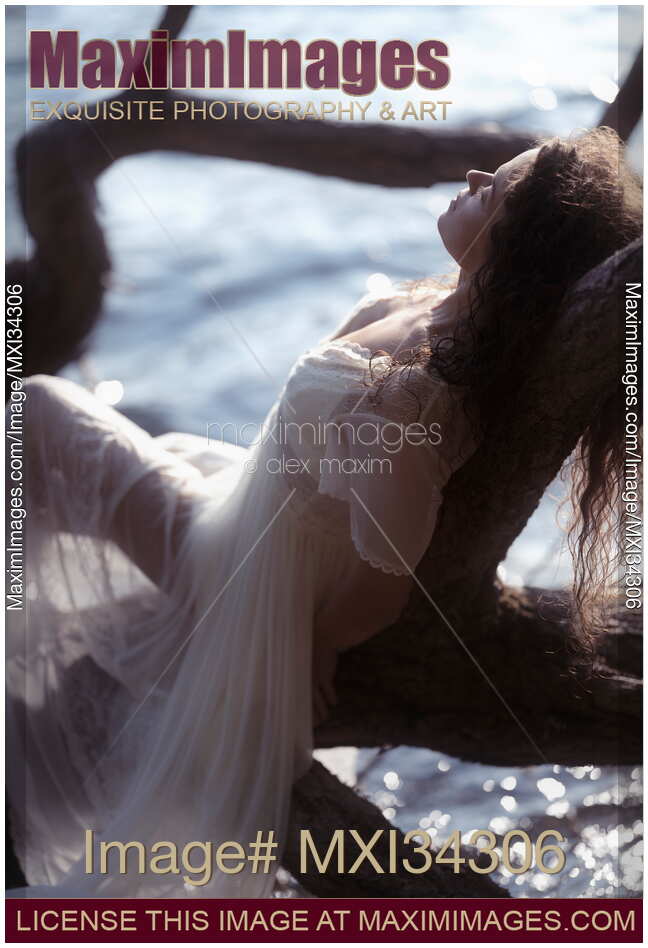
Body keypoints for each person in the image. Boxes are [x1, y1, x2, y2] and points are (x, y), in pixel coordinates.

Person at [6, 127, 641, 897]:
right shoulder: (449, 307)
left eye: (493, 192)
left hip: (241, 570)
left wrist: (308, 645)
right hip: (249, 506)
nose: (474, 175)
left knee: (36, 411)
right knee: (64, 435)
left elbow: (387, 575)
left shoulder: (410, 397)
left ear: (516, 250)